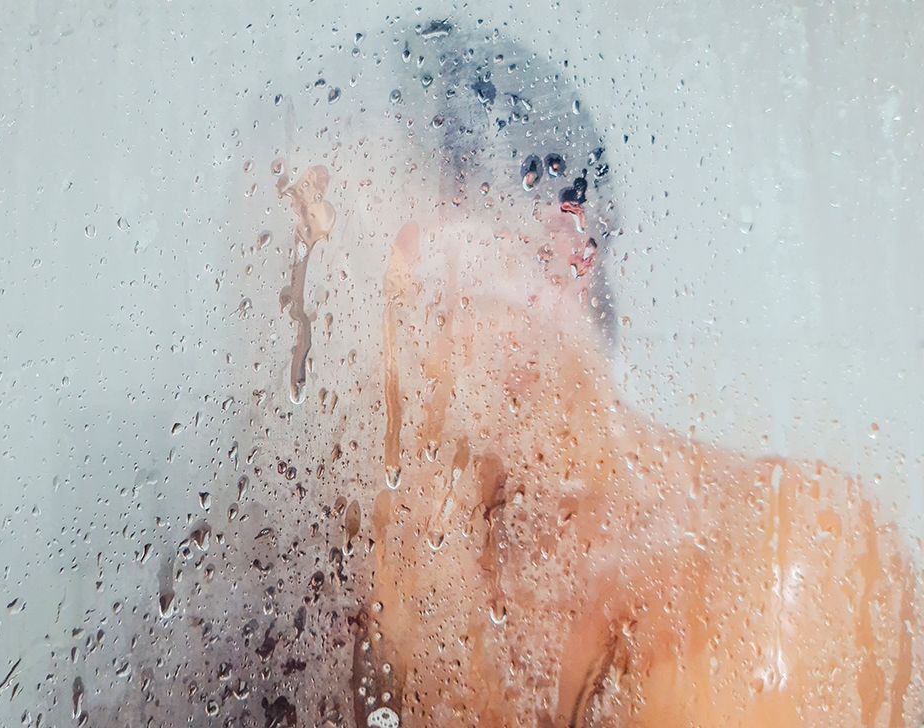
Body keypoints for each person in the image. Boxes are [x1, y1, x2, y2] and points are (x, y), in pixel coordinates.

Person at [277, 19, 921, 726]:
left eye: (329, 299)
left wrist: (433, 624)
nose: (302, 372)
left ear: (563, 250)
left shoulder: (766, 555)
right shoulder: (305, 594)